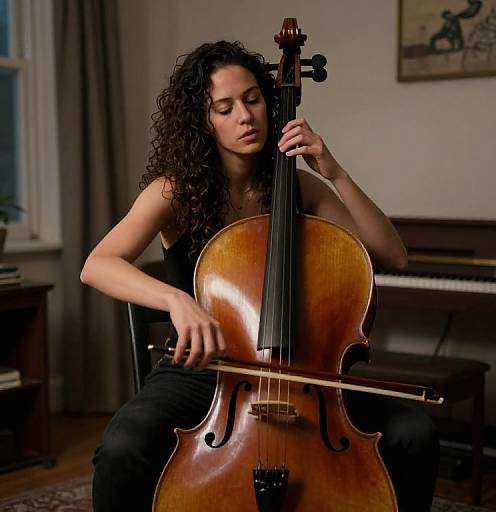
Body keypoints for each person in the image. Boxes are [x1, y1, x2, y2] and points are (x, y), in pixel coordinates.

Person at [81, 40, 438, 512]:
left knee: (416, 434)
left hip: (305, 371)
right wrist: (179, 302)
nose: (245, 116)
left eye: (252, 99)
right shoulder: (175, 190)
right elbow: (97, 265)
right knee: (123, 448)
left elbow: (392, 255)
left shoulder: (298, 187)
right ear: (202, 120)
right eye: (224, 108)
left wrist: (335, 172)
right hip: (205, 371)